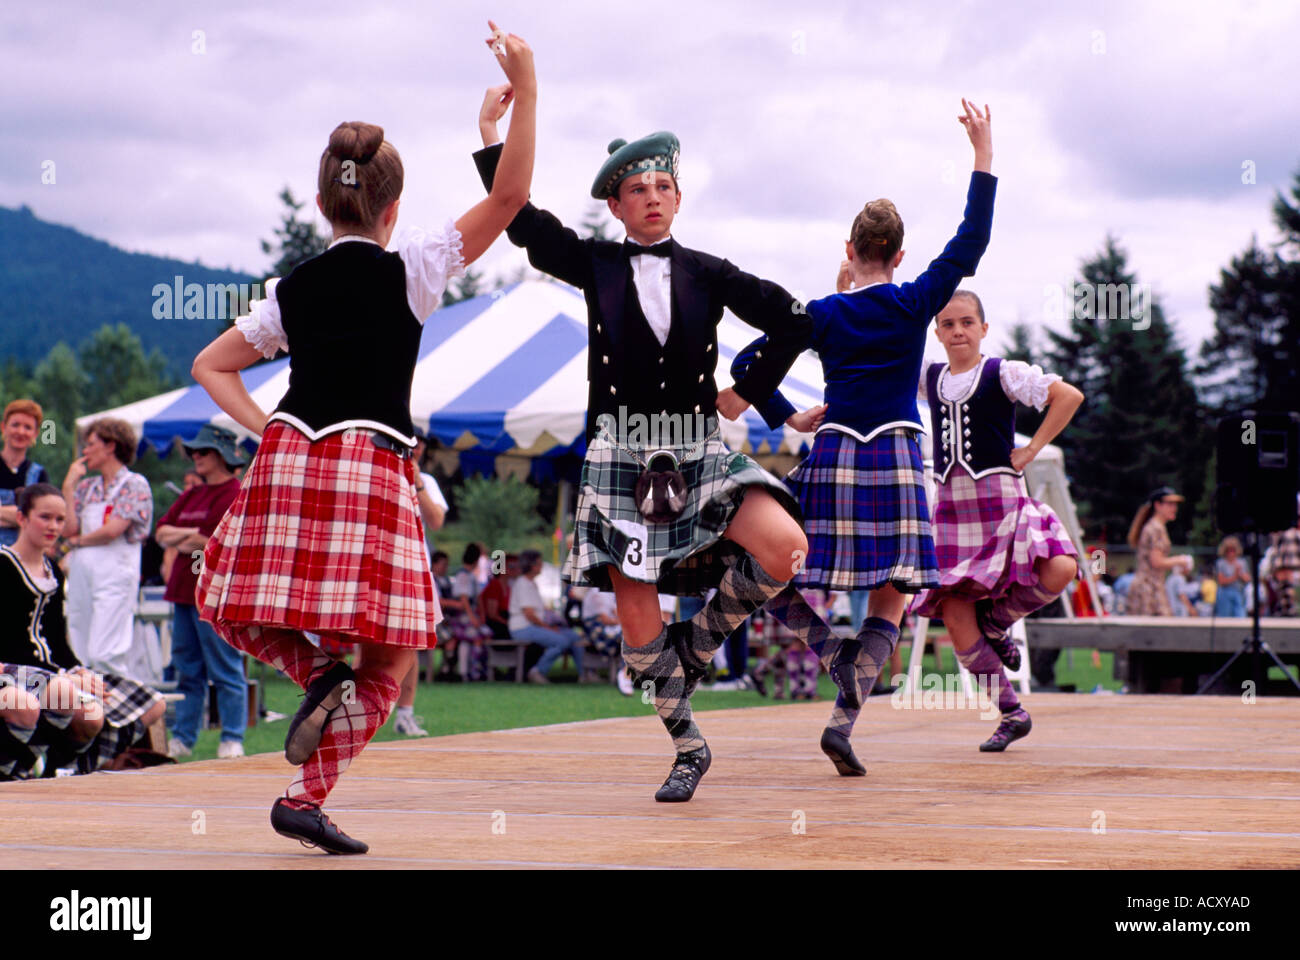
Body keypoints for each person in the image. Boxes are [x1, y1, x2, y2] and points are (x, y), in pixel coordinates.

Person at [190, 23, 537, 855]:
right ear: (392, 209)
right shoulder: (412, 263)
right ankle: (306, 795)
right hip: (371, 464)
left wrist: (268, 425)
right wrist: (518, 97)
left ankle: (314, 676)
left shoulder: (289, 289)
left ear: (321, 206)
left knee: (220, 599)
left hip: (286, 461)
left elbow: (210, 365)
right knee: (391, 661)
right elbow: (510, 200)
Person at [471, 105, 816, 803]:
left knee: (786, 547)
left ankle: (700, 642)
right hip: (619, 452)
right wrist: (491, 141)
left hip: (697, 446)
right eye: (637, 189)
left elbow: (794, 320)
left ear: (678, 198)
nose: (652, 197)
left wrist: (747, 390)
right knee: (636, 617)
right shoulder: (593, 263)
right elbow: (524, 225)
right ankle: (687, 746)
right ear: (615, 204)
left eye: (663, 186)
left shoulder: (709, 271)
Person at [735, 100, 998, 774]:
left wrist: (787, 414)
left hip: (836, 452)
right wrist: (982, 154)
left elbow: (742, 366)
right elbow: (971, 242)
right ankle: (843, 721)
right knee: (894, 594)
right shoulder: (916, 301)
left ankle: (830, 653)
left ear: (849, 252)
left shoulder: (821, 313)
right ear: (900, 255)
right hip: (899, 457)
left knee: (777, 568)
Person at [912, 290, 1083, 751]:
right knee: (954, 612)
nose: (958, 331)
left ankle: (997, 622)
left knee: (1061, 566)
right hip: (950, 508)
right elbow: (873, 361)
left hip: (1002, 501)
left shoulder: (1004, 373)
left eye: (967, 322)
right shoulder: (928, 377)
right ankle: (1011, 712)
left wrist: (1032, 449)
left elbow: (1068, 396)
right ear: (937, 332)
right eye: (948, 324)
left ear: (983, 328)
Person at [0, 484, 165, 780]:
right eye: (45, 517)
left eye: (60, 520)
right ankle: (17, 769)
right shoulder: (2, 565)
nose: (53, 526)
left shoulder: (53, 570)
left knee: (150, 704)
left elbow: (57, 640)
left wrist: (78, 669)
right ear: (22, 518)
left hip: (49, 673)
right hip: (10, 670)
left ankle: (62, 770)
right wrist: (63, 676)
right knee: (63, 693)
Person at [154, 425, 248, 759]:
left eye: (202, 451)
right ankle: (184, 737)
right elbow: (161, 533)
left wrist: (188, 537)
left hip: (215, 594)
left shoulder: (235, 492)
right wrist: (192, 533)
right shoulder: (192, 494)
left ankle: (233, 737)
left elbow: (213, 541)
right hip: (182, 593)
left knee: (224, 666)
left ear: (222, 455)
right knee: (187, 668)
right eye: (194, 452)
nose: (196, 457)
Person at [61, 417, 154, 679]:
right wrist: (68, 488)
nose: (85, 451)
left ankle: (116, 714)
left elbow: (113, 530)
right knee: (79, 647)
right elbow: (68, 528)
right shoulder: (86, 487)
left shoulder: (135, 484)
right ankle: (85, 714)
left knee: (106, 652)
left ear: (110, 446)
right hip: (82, 574)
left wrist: (76, 542)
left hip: (115, 576)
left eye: (91, 444)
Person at [391, 429, 447, 736]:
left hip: (417, 568)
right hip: (383, 563)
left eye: (418, 447)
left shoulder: (426, 480)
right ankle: (360, 708)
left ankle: (406, 713)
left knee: (412, 642)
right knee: (366, 642)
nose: (414, 450)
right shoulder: (379, 468)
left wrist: (417, 479)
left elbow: (436, 520)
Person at [509, 549, 585, 683]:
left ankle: (584, 674)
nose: (542, 566)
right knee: (561, 641)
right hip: (523, 628)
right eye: (539, 563)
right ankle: (538, 671)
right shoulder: (523, 584)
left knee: (574, 637)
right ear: (532, 566)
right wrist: (548, 628)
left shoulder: (531, 583)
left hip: (533, 626)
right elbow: (529, 615)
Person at [1124, 488, 1194, 616]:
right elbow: (1156, 562)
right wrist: (1180, 560)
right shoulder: (1156, 528)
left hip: (1150, 586)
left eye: (1175, 505)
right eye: (1170, 504)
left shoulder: (1155, 526)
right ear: (1157, 505)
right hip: (1149, 588)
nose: (1174, 508)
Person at [0, 399, 52, 548]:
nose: (21, 432)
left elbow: (41, 520)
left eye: (28, 427)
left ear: (35, 434)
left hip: (21, 556)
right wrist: (22, 516)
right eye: (15, 425)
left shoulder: (39, 474)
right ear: (3, 427)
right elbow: (30, 518)